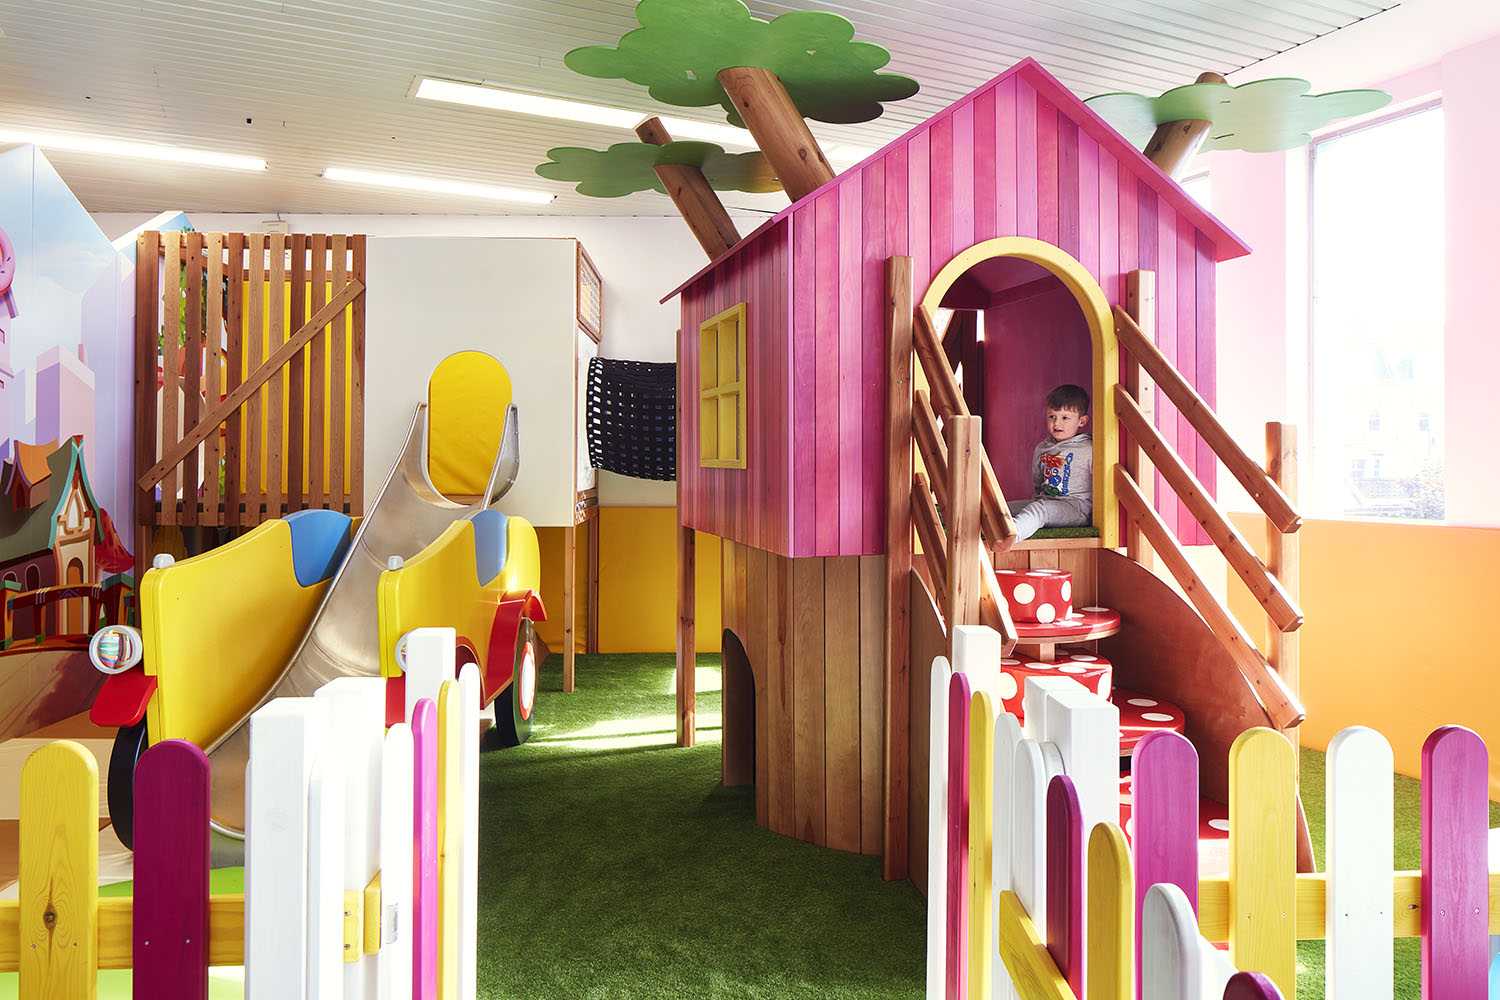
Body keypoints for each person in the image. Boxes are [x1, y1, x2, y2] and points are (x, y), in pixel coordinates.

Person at [1007, 383, 1093, 541]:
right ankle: (957, 524)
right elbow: (1038, 484)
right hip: (1047, 502)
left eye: (1065, 418)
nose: (1057, 423)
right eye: (1052, 416)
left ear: (1082, 421)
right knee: (1003, 508)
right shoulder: (1042, 448)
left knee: (1039, 510)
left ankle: (1011, 536)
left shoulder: (1088, 448)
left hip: (1076, 508)